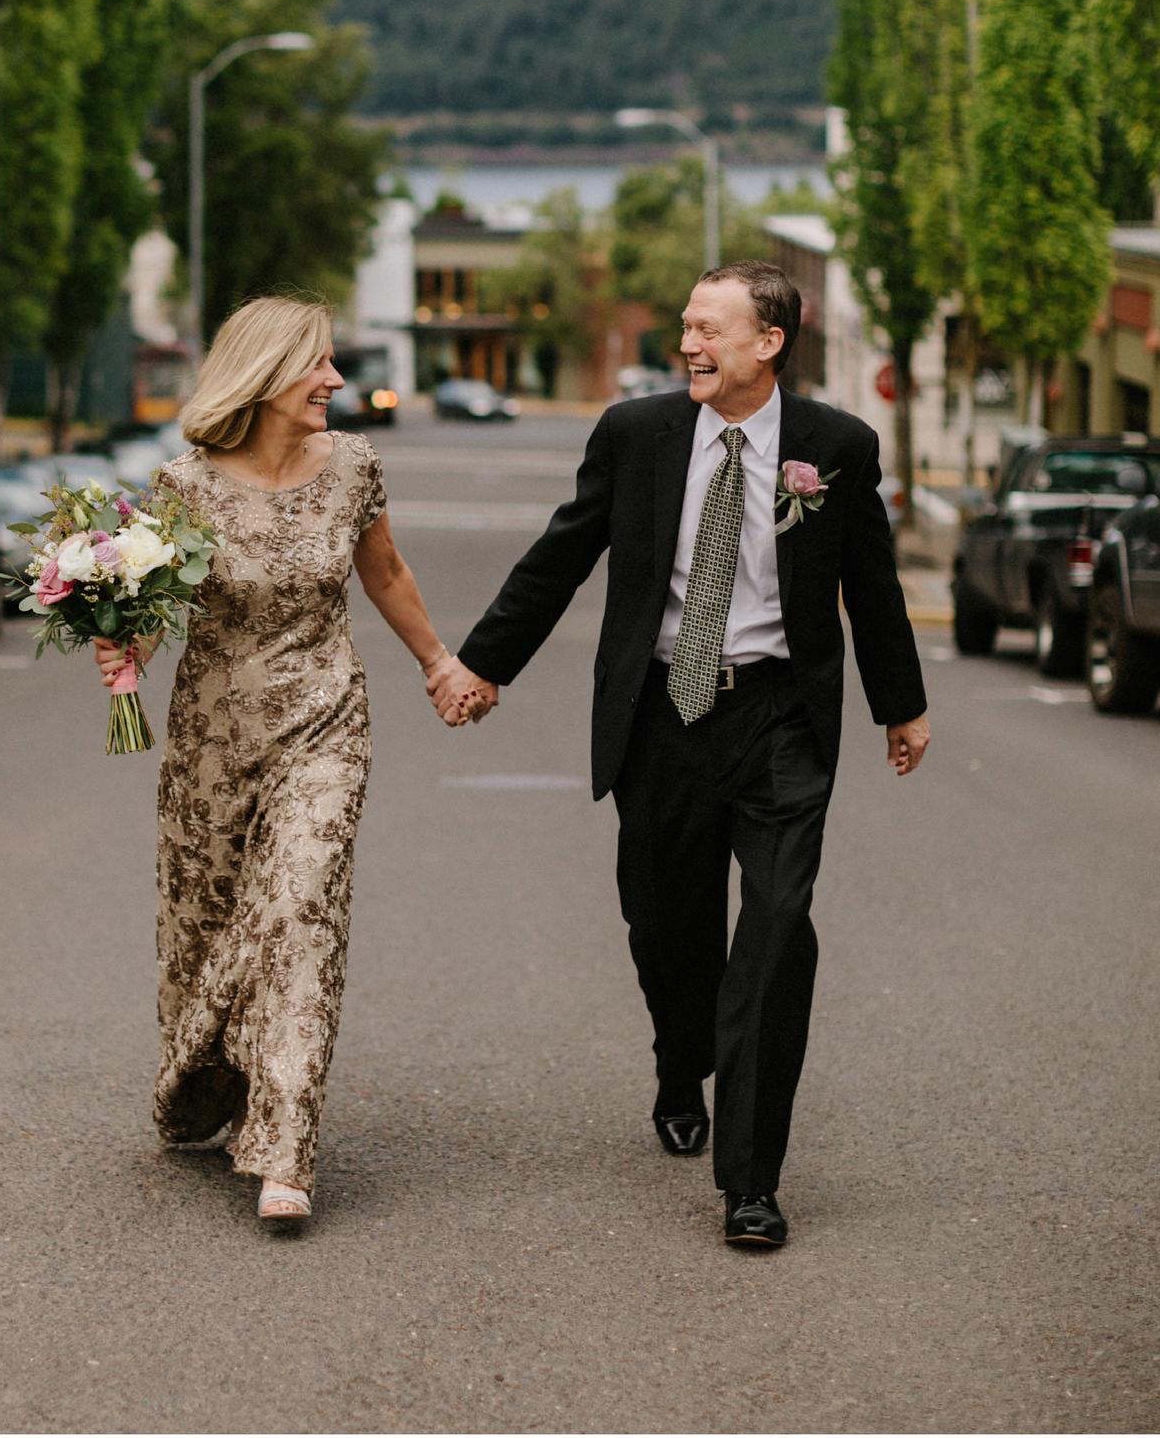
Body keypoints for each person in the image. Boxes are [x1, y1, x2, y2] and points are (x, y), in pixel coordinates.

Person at [428, 260, 930, 1249]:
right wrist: (482, 665)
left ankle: (750, 1179)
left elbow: (871, 580)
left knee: (778, 928)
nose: (688, 343)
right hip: (662, 713)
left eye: (709, 326)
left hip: (779, 716)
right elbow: (564, 550)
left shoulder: (836, 446)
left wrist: (900, 703)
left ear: (768, 341)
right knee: (668, 923)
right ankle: (677, 1058)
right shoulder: (638, 434)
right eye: (686, 325)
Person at [95, 296, 455, 1227]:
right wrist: (114, 644)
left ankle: (284, 1149)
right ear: (263, 375)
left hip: (324, 721)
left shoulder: (355, 470)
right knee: (210, 922)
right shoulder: (184, 488)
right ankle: (200, 1078)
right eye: (320, 366)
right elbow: (148, 605)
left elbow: (384, 573)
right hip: (213, 738)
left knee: (300, 908)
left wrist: (439, 664)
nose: (336, 381)